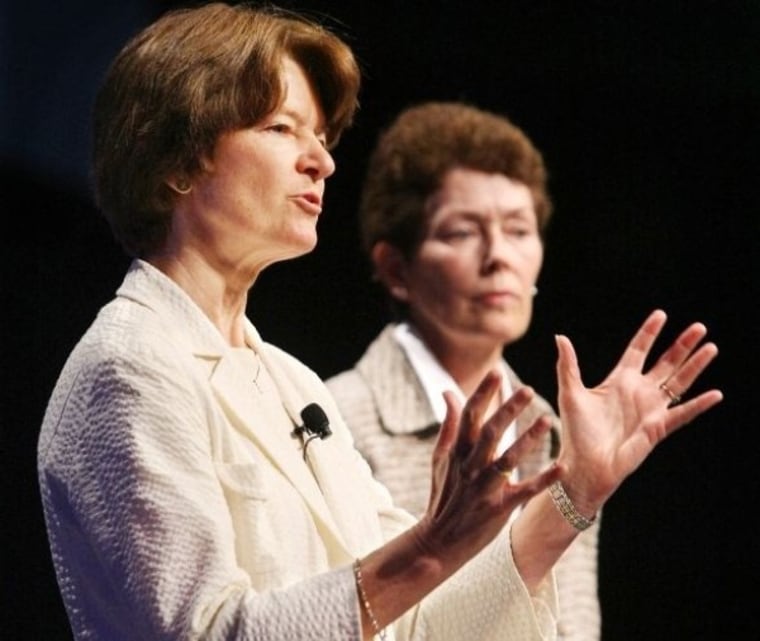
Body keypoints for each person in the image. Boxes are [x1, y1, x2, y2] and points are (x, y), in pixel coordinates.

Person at [36, 3, 723, 641]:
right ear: (178, 161)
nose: (323, 160)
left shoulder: (286, 378)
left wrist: (574, 490)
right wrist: (430, 545)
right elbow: (209, 631)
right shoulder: (129, 368)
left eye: (321, 136)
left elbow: (417, 624)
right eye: (281, 128)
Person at [325, 101, 597, 639]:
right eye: (461, 233)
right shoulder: (339, 418)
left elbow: (574, 625)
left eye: (519, 230)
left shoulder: (552, 428)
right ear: (396, 269)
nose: (499, 256)